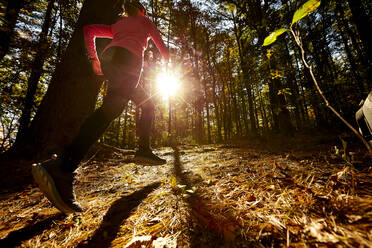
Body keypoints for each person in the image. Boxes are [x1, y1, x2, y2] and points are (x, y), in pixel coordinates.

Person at [32, 0, 170, 214]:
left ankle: (144, 150)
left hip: (111, 59)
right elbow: (161, 45)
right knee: (110, 111)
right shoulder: (145, 21)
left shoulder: (118, 25)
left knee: (147, 104)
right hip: (129, 62)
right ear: (141, 10)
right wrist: (168, 63)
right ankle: (63, 168)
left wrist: (94, 59)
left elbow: (90, 30)